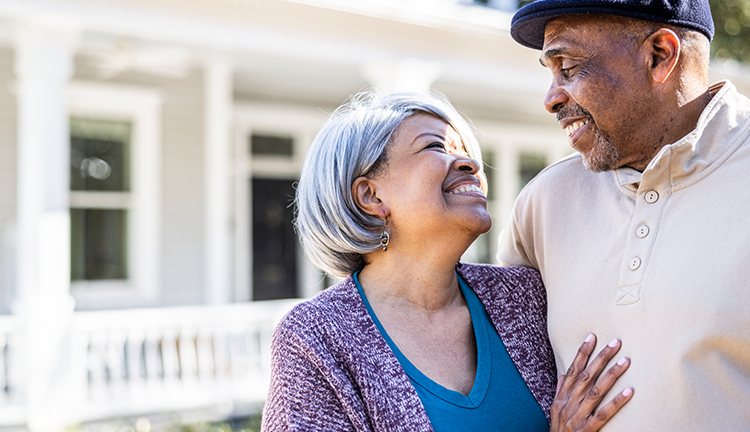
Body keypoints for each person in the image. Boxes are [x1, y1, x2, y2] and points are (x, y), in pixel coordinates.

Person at [503, 0, 750, 430]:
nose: (551, 97)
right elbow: (512, 396)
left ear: (659, 55)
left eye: (568, 67)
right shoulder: (542, 204)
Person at [263, 91, 630, 431]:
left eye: (465, 150)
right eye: (436, 146)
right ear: (370, 195)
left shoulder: (522, 296)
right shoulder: (314, 338)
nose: (470, 162)